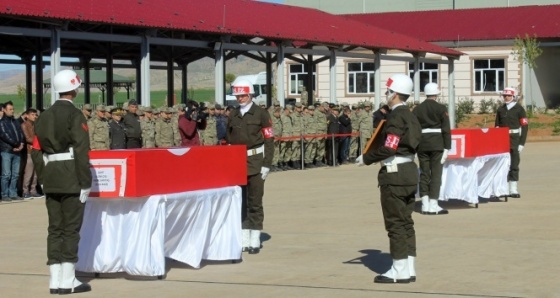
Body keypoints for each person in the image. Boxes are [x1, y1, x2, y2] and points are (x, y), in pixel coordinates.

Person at [356, 74, 421, 284]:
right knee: (406, 222)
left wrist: (366, 158)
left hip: (395, 175)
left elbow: (389, 147)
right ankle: (409, 267)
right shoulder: (411, 115)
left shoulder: (395, 117)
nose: (386, 94)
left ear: (394, 94)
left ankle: (399, 269)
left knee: (395, 224)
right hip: (410, 171)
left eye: (387, 91)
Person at [34, 69, 92, 294]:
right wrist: (85, 181)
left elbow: (36, 151)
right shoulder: (75, 115)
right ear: (74, 88)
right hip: (71, 177)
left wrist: (42, 177)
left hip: (51, 177)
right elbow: (81, 149)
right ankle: (68, 279)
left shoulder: (44, 116)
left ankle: (55, 280)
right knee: (71, 229)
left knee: (54, 228)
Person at [226, 79, 274, 254]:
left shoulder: (261, 114)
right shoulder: (232, 115)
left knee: (255, 201)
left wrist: (266, 164)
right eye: (237, 96)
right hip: (238, 163)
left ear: (251, 94)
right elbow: (229, 140)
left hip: (256, 162)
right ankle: (244, 236)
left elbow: (269, 140)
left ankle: (255, 237)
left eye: (243, 95)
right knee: (241, 202)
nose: (240, 99)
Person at [413, 83, 451, 215]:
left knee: (424, 174)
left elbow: (414, 129)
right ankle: (433, 203)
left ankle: (424, 203)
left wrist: (415, 147)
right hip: (437, 144)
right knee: (436, 174)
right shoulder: (441, 108)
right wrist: (447, 148)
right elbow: (446, 130)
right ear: (436, 94)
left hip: (422, 144)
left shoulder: (417, 109)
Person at [495, 87, 528, 198]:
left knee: (514, 164)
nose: (506, 97)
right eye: (504, 96)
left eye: (508, 96)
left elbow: (524, 126)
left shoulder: (519, 109)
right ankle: (503, 188)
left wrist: (521, 143)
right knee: (503, 164)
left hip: (514, 139)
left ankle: (513, 189)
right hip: (503, 140)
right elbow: (496, 127)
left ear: (513, 97)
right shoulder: (500, 109)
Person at [0, 101, 25, 202]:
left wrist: (21, 144)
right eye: (10, 109)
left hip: (16, 151)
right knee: (6, 174)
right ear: (4, 110)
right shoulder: (2, 123)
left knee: (15, 174)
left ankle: (13, 193)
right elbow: (5, 136)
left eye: (13, 109)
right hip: (6, 150)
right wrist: (15, 144)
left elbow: (21, 133)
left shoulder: (15, 122)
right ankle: (4, 194)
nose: (12, 111)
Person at [21, 108, 43, 199]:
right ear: (27, 115)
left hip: (37, 150)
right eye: (32, 114)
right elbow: (28, 138)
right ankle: (25, 191)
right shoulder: (24, 125)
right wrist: (39, 141)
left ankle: (33, 190)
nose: (35, 116)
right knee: (29, 172)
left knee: (35, 173)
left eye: (35, 114)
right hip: (29, 151)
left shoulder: (36, 125)